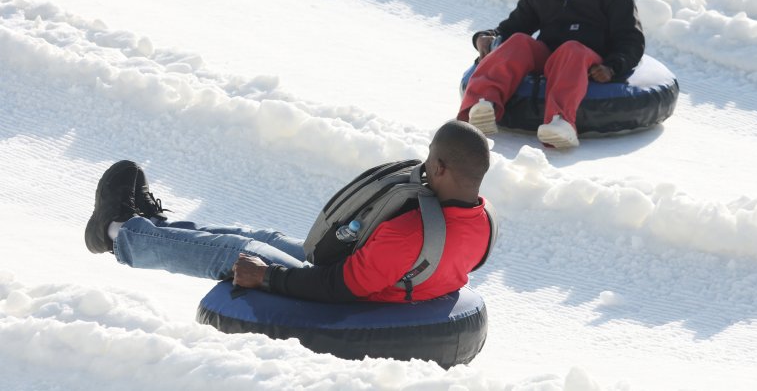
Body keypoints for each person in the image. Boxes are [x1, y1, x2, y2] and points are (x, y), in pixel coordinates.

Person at [84, 120, 492, 303]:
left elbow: (341, 289)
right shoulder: (485, 221)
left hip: (360, 297)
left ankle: (118, 233)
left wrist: (268, 277)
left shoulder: (410, 231)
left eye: (428, 161)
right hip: (392, 277)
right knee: (268, 238)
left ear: (440, 167)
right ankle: (157, 228)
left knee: (238, 251)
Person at [459, 0, 645, 148]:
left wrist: (612, 66)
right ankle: (481, 105)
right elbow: (512, 27)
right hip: (550, 60)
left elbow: (631, 40)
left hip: (588, 62)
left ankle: (561, 121)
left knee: (571, 49)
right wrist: (486, 37)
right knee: (519, 41)